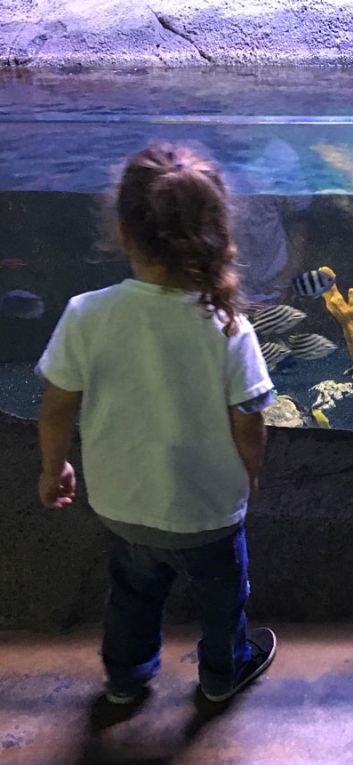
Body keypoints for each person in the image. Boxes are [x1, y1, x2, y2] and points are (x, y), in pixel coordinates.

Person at [37, 143, 277, 705]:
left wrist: (55, 469)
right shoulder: (228, 324)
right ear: (218, 233)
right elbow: (249, 419)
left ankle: (126, 678)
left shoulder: (86, 314)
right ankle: (222, 675)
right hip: (210, 513)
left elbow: (55, 406)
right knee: (224, 601)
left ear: (123, 232)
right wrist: (252, 475)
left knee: (132, 596)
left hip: (124, 506)